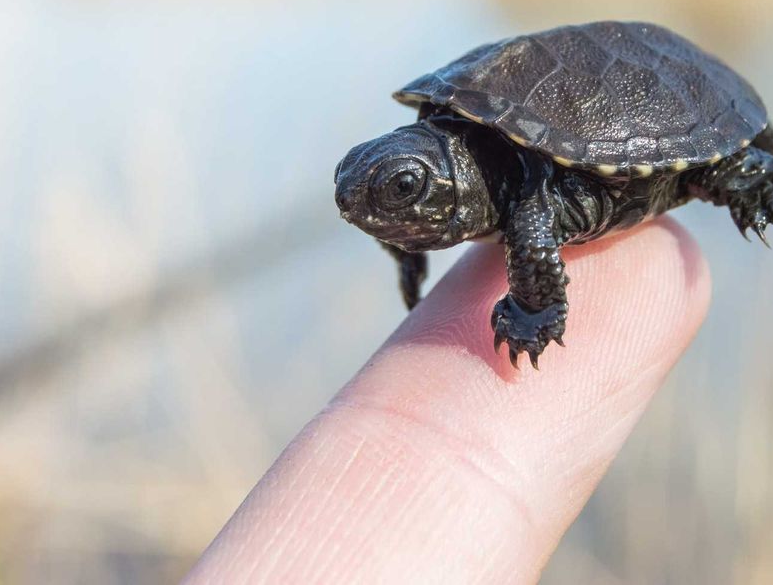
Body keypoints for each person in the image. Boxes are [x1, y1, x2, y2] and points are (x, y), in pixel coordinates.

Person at [182, 218, 710, 583]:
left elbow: (533, 222)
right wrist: (404, 240)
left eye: (406, 189)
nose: (374, 210)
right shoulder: (447, 173)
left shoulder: (524, 205)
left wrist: (534, 305)